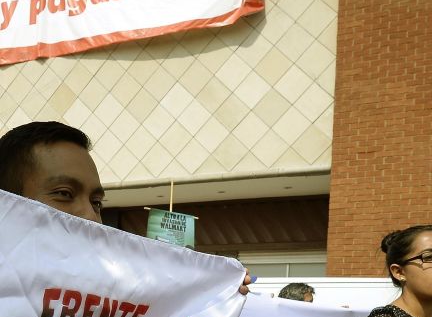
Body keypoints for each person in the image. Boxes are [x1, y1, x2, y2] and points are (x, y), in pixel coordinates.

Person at [0, 121, 251, 294]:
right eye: (64, 194)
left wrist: (214, 297)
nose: (91, 216)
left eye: (96, 203)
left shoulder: (115, 301)